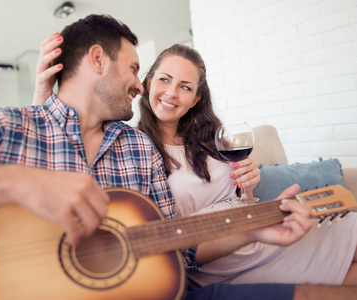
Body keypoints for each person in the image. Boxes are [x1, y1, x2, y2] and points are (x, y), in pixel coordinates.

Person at [0, 14, 353, 300]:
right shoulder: (6, 127)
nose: (142, 87)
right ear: (98, 60)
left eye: (184, 87)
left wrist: (255, 228)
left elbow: (179, 249)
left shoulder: (137, 148)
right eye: (137, 69)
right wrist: (14, 182)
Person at [30, 20, 357, 299]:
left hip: (256, 232)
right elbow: (71, 144)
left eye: (185, 87)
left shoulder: (212, 139)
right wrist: (43, 102)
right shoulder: (130, 144)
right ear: (147, 82)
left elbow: (238, 200)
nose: (172, 93)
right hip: (217, 258)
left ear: (195, 98)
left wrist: (250, 184)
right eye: (164, 79)